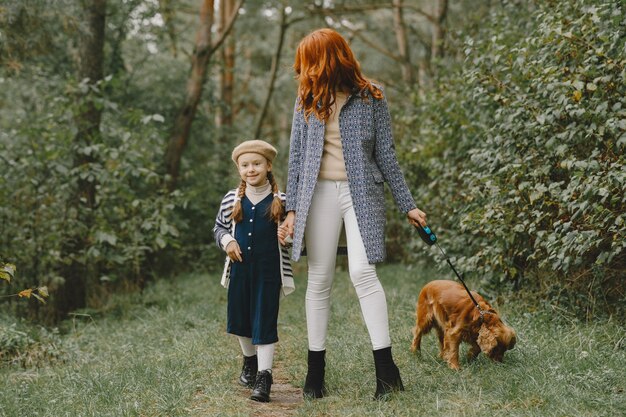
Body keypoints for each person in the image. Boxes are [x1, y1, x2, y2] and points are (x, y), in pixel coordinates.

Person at [278, 28, 427, 400]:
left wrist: (408, 204)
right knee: (320, 277)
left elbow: (386, 154)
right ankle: (315, 374)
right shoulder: (306, 100)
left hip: (363, 193)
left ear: (329, 60)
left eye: (309, 63)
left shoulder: (371, 96)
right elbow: (296, 159)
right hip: (318, 195)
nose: (304, 71)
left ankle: (387, 372)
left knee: (363, 272)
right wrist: (292, 209)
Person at [213, 139, 295, 403]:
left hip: (269, 271)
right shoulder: (230, 199)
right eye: (245, 165)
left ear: (268, 166)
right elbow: (219, 228)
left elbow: (296, 235)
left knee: (264, 320)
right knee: (240, 320)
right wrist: (228, 241)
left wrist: (288, 237)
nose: (251, 169)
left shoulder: (281, 201)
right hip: (239, 269)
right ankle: (249, 360)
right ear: (239, 169)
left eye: (257, 163)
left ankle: (264, 376)